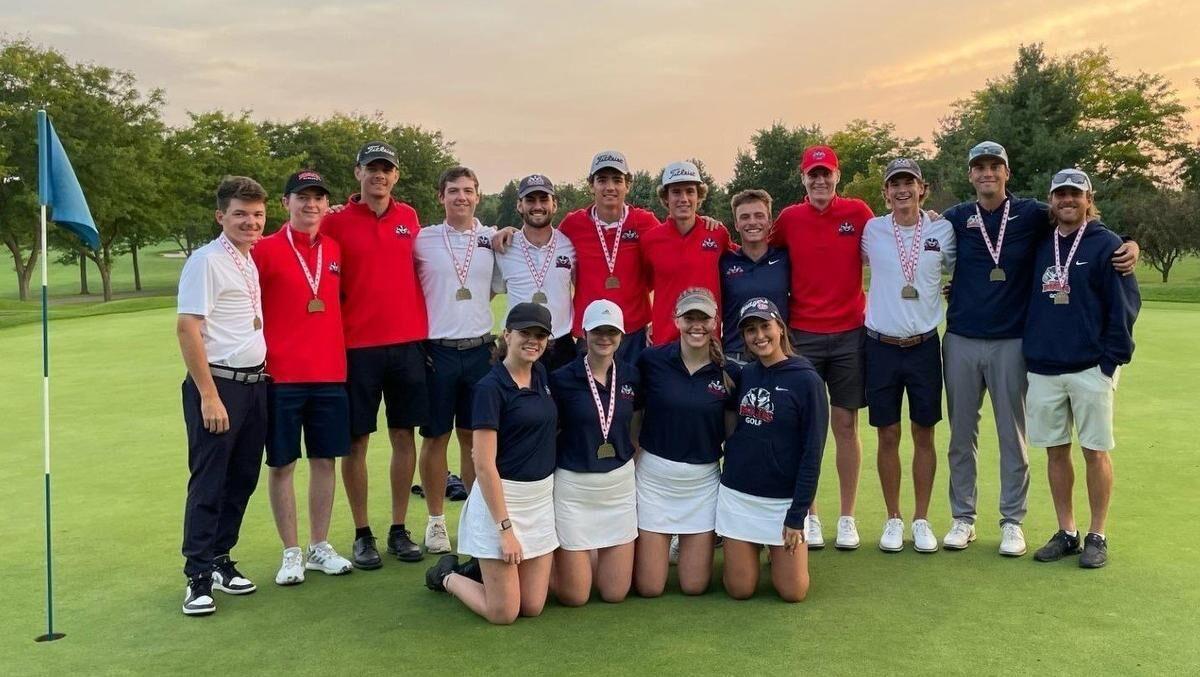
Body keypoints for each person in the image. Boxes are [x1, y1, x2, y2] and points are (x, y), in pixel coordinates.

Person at [939, 142, 1139, 556]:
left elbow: (1089, 236)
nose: (987, 173)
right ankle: (964, 518)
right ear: (971, 174)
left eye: (995, 166)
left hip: (1015, 342)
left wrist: (1132, 243)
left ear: (1007, 173)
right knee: (962, 435)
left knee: (1016, 437)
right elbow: (922, 236)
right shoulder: (957, 217)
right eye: (979, 167)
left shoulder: (1032, 215)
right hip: (965, 338)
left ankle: (1015, 522)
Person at [321, 141, 429, 567]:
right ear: (358, 173)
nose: (379, 176)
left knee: (405, 436)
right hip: (357, 346)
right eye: (372, 168)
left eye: (386, 169)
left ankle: (399, 528)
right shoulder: (336, 222)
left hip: (407, 345)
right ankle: (362, 532)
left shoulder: (410, 218)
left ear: (396, 176)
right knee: (357, 441)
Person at [1024, 169, 1139, 569]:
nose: (1067, 200)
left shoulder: (1108, 244)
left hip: (1092, 367)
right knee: (1056, 452)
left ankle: (1097, 534)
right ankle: (1067, 531)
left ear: (1089, 198)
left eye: (1075, 194)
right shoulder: (1040, 242)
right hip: (1043, 366)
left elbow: (1125, 308)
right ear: (1051, 200)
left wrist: (1110, 363)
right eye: (1060, 194)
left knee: (1095, 451)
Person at [425, 304, 560, 624]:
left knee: (532, 607)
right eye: (525, 333)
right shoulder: (490, 387)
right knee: (504, 613)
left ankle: (483, 570)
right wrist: (505, 530)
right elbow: (483, 464)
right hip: (501, 504)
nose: (533, 341)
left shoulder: (540, 375)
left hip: (539, 502)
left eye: (540, 335)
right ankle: (449, 576)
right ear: (507, 335)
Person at [252, 171, 354, 585]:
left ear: (327, 205)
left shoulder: (334, 248)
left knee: (324, 460)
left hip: (330, 372)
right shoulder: (264, 250)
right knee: (282, 463)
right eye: (302, 197)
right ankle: (291, 552)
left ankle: (318, 546)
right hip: (280, 375)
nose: (311, 205)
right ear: (285, 203)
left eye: (318, 198)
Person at [770, 145, 874, 550]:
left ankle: (847, 517)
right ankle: (809, 515)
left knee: (846, 426)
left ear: (837, 175)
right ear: (803, 179)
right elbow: (760, 243)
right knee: (806, 426)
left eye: (826, 173)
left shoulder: (858, 213)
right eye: (812, 174)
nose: (819, 180)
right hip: (803, 335)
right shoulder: (790, 218)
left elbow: (891, 234)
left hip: (850, 332)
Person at [175, 176, 270, 616]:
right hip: (219, 385)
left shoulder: (247, 260)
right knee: (210, 481)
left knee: (242, 479)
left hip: (255, 386)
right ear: (221, 216)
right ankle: (196, 576)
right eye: (240, 214)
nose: (250, 222)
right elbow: (188, 327)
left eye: (256, 215)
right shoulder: (207, 260)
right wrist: (209, 395)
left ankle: (219, 559)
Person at [860, 159, 956, 553]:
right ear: (885, 192)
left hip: (924, 346)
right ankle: (893, 518)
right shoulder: (872, 230)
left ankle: (921, 519)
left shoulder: (942, 230)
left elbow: (966, 266)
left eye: (909, 183)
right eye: (894, 184)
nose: (902, 190)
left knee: (923, 433)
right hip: (880, 345)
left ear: (923, 188)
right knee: (887, 434)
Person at [716, 298, 828, 602]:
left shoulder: (807, 381)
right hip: (739, 496)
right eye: (750, 330)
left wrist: (796, 516)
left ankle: (774, 552)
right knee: (740, 590)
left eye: (765, 326)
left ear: (780, 328)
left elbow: (812, 454)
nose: (759, 336)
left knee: (793, 592)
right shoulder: (746, 374)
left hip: (782, 503)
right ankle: (750, 550)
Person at [414, 165, 498, 554]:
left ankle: (474, 517)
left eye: (467, 190)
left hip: (480, 351)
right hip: (437, 353)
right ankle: (435, 522)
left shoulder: (492, 239)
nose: (460, 196)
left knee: (473, 440)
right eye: (453, 190)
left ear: (478, 195)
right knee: (435, 438)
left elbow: (499, 285)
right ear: (441, 197)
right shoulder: (423, 240)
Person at [633, 288, 732, 597]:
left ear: (715, 321)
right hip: (654, 481)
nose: (696, 325)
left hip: (701, 485)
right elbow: (634, 415)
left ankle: (682, 545)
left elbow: (731, 436)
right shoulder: (651, 360)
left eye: (703, 318)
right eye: (689, 318)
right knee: (649, 588)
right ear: (676, 320)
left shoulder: (728, 372)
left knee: (694, 586)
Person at [550, 300, 642, 605]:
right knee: (575, 597)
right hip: (574, 487)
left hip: (617, 488)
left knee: (615, 593)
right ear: (583, 332)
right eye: (598, 331)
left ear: (622, 335)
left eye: (612, 331)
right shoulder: (562, 378)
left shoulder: (630, 375)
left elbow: (637, 425)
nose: (605, 338)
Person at [492, 174, 578, 371]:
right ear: (519, 205)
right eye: (530, 200)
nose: (537, 206)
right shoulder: (503, 246)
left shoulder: (569, 244)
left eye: (544, 199)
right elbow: (489, 291)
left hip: (560, 344)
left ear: (554, 204)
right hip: (518, 345)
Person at [640, 161, 732, 346]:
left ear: (699, 196)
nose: (683, 198)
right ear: (665, 198)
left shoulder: (717, 234)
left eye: (690, 191)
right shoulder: (650, 240)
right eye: (676, 192)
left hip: (707, 342)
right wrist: (648, 324)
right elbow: (641, 287)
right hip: (665, 343)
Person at [720, 189, 790, 365]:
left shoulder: (785, 258)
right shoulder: (724, 261)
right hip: (735, 357)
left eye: (759, 215)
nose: (752, 222)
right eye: (745, 217)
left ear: (769, 221)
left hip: (778, 356)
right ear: (736, 224)